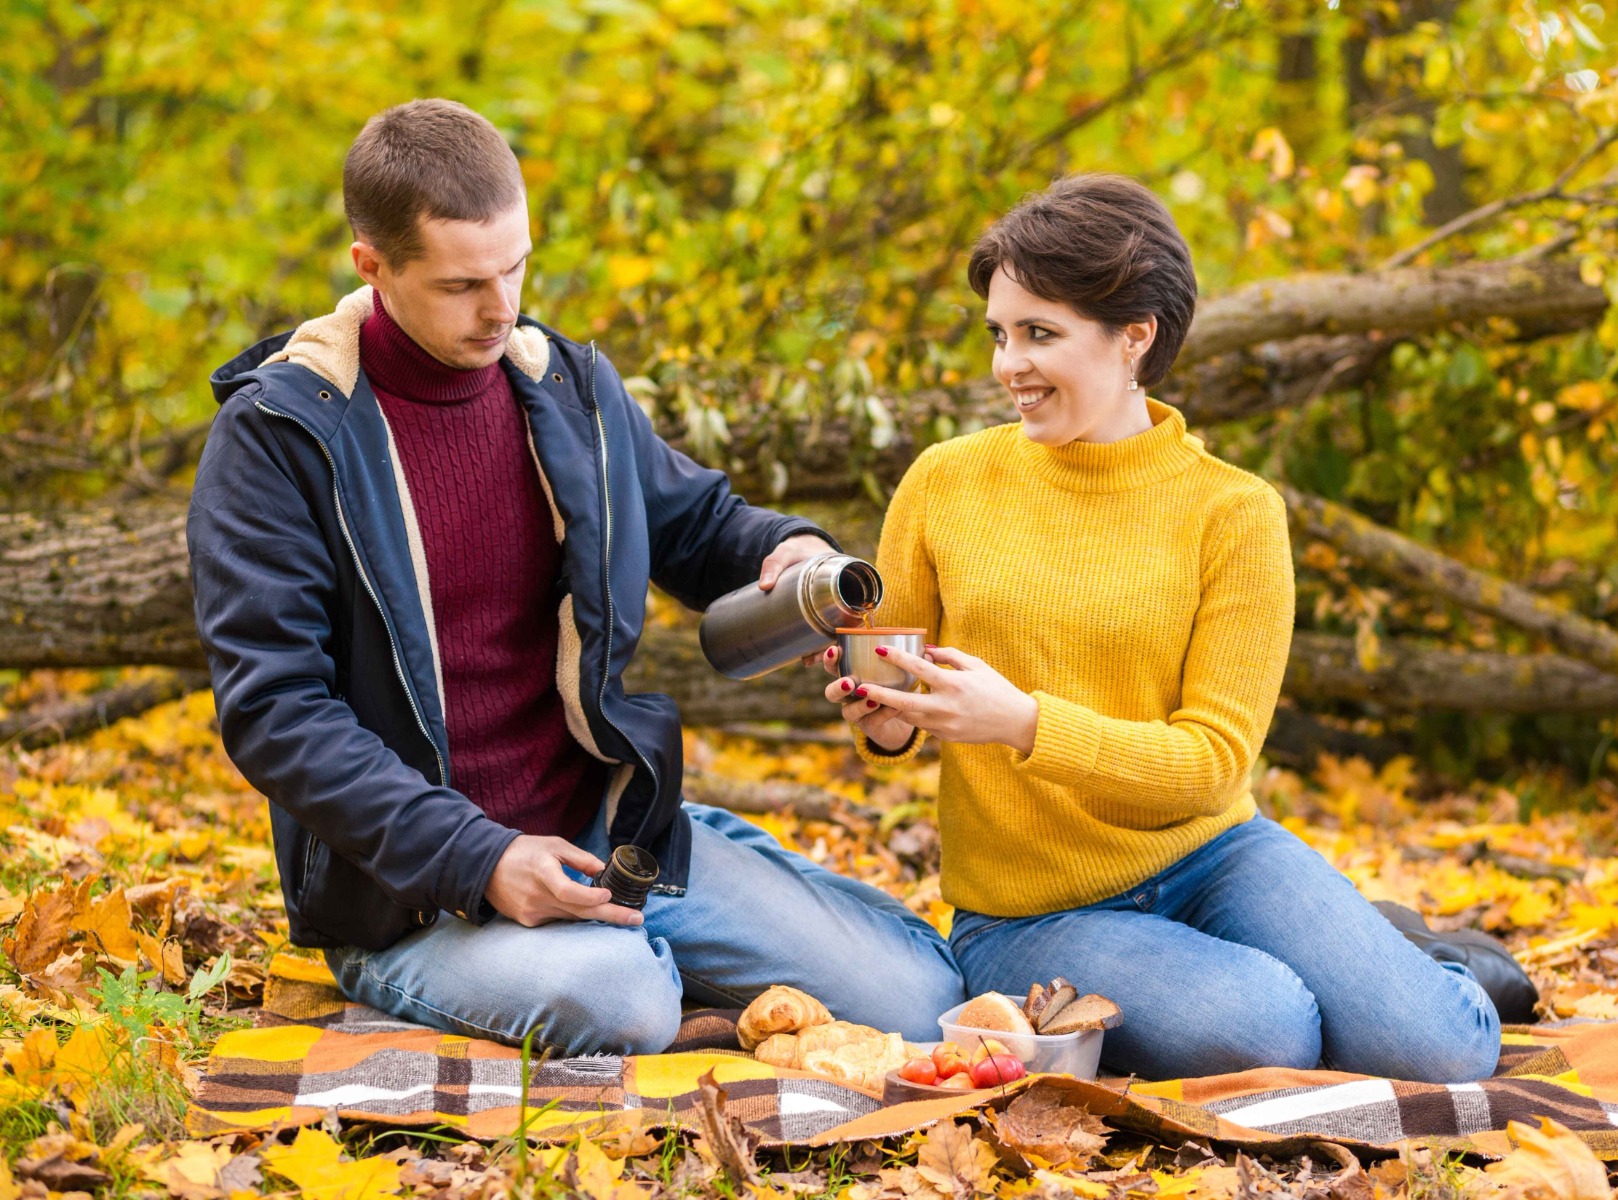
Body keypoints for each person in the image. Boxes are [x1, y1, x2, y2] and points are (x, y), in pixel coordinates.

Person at [188, 98, 963, 1057]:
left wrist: (790, 550)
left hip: (607, 835)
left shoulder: (566, 387)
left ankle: (688, 914)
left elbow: (699, 524)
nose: (502, 306)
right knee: (619, 1003)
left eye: (516, 266)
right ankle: (639, 980)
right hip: (419, 893)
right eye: (463, 283)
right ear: (372, 266)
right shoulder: (281, 437)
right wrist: (481, 856)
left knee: (921, 996)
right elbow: (276, 713)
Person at [823, 174, 1530, 1082]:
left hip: (1213, 852)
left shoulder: (1232, 511)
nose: (1009, 365)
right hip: (1030, 911)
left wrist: (1027, 724)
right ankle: (1332, 957)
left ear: (1135, 336)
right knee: (1266, 1032)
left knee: (1439, 1050)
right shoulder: (944, 483)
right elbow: (899, 699)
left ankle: (1424, 964)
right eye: (1000, 334)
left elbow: (1212, 764)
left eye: (1041, 334)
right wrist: (882, 721)